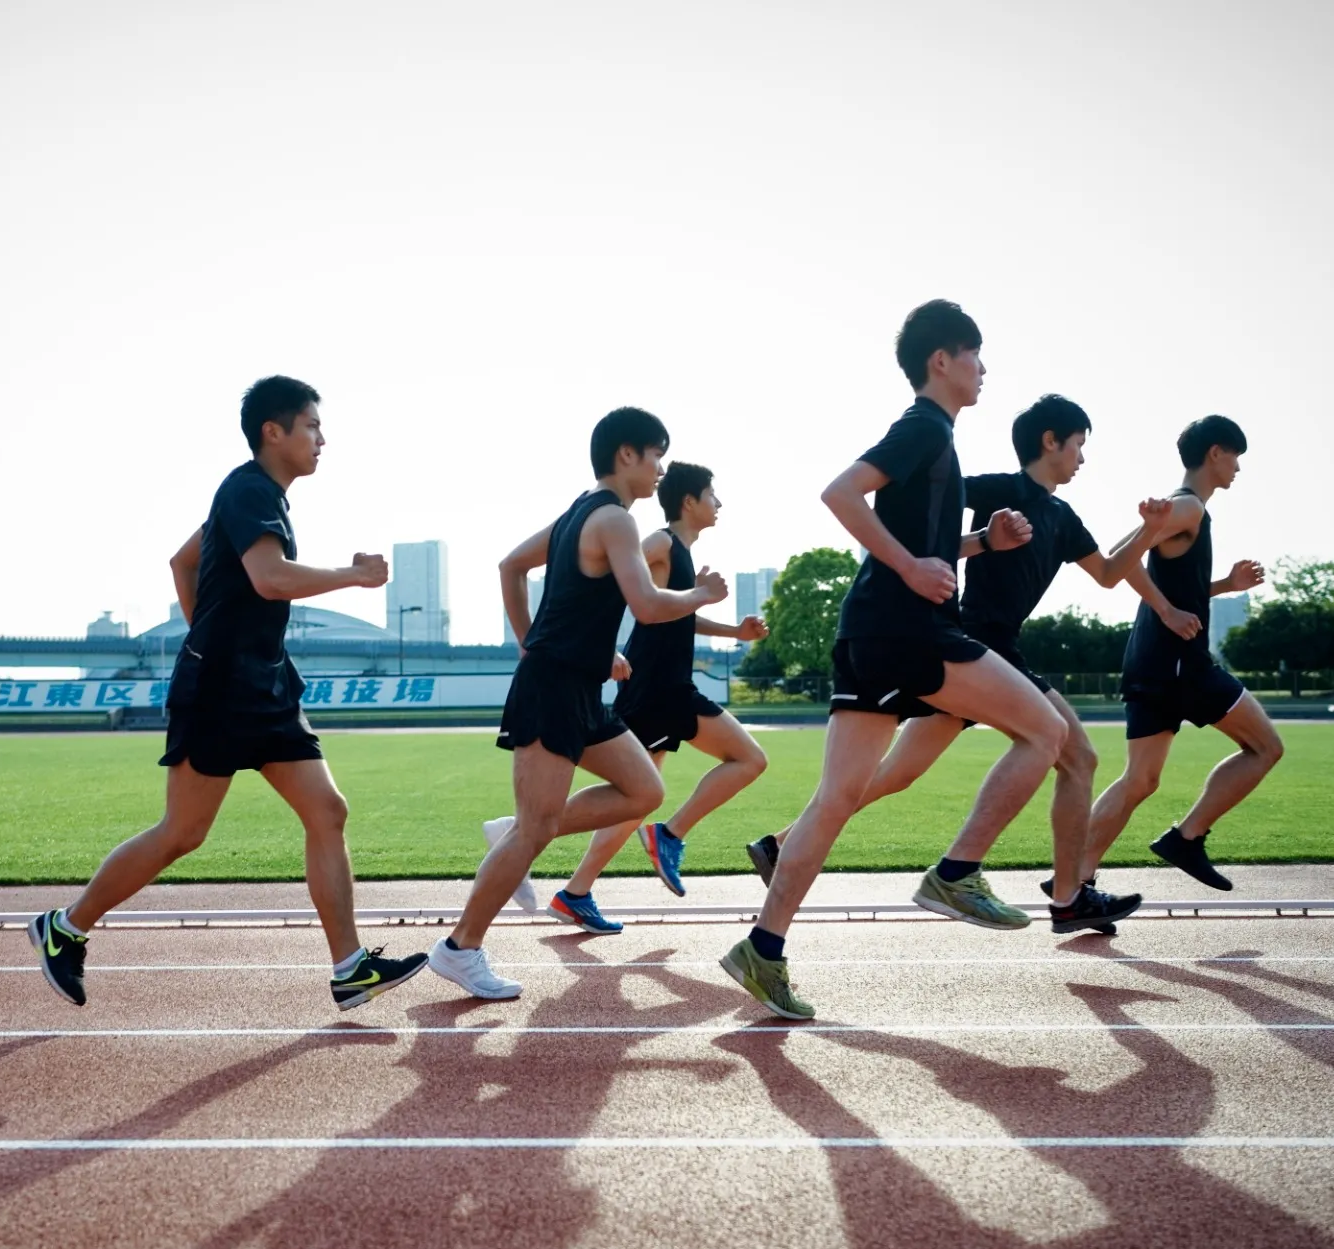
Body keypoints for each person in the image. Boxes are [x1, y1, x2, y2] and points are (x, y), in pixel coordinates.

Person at [27, 376, 428, 1011]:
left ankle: (349, 966)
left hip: (263, 685)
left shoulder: (256, 497)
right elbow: (268, 579)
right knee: (182, 834)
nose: (323, 438)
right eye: (312, 426)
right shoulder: (247, 489)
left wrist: (208, 629)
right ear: (275, 431)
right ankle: (65, 927)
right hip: (219, 691)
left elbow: (184, 562)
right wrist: (352, 576)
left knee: (328, 810)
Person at [720, 299, 1066, 1022]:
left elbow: (927, 543)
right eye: (975, 355)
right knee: (1047, 730)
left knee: (835, 798)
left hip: (873, 631)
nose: (983, 370)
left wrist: (979, 546)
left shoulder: (939, 441)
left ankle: (764, 948)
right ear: (941, 360)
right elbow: (839, 492)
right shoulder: (923, 426)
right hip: (910, 630)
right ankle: (956, 871)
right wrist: (912, 567)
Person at [745, 394, 1175, 934]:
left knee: (899, 774)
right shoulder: (995, 487)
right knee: (1076, 754)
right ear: (1051, 442)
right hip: (967, 642)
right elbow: (925, 522)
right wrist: (972, 543)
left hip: (987, 648)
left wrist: (1151, 531)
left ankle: (778, 845)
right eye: (1079, 447)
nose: (1082, 460)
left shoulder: (1064, 518)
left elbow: (1110, 574)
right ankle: (1058, 895)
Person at [428, 408, 728, 998]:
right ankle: (459, 947)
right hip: (553, 687)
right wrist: (701, 594)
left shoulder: (577, 514)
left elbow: (512, 566)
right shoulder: (613, 517)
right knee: (536, 830)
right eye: (656, 455)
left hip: (579, 685)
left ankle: (513, 831)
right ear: (627, 455)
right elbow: (645, 604)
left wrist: (546, 642)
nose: (661, 469)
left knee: (644, 791)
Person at [526, 461, 770, 935]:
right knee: (749, 759)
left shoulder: (678, 554)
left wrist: (732, 631)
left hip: (658, 684)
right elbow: (612, 582)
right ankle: (667, 834)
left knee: (633, 798)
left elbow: (672, 612)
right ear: (689, 502)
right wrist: (603, 646)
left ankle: (573, 889)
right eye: (713, 496)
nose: (719, 505)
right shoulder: (660, 542)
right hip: (659, 686)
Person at [1079, 415, 1282, 890]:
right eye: (1235, 457)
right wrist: (1168, 611)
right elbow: (1118, 560)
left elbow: (1153, 573)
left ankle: (1074, 878)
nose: (1237, 468)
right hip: (1178, 663)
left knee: (1140, 780)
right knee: (1265, 746)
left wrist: (1224, 587)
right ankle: (1187, 838)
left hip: (1151, 659)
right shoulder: (1188, 508)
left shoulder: (1187, 510)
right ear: (1216, 453)